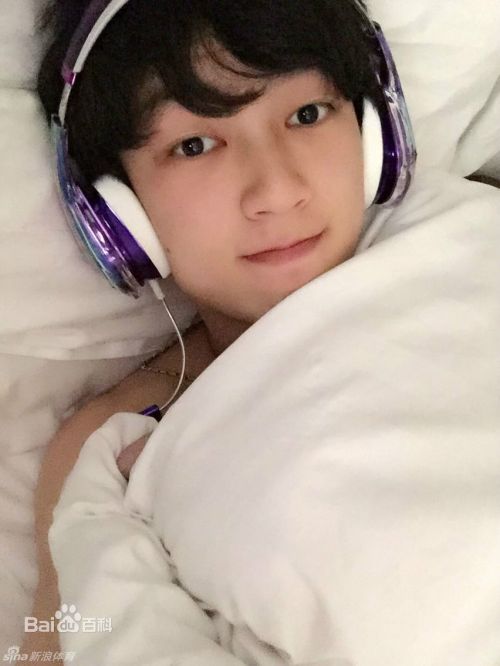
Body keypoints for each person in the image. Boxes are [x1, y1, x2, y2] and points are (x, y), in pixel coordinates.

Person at [24, 0, 416, 659]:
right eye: (194, 145)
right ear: (113, 213)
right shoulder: (108, 451)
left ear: (377, 130)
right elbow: (51, 644)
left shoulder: (466, 231)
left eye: (308, 114)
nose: (277, 192)